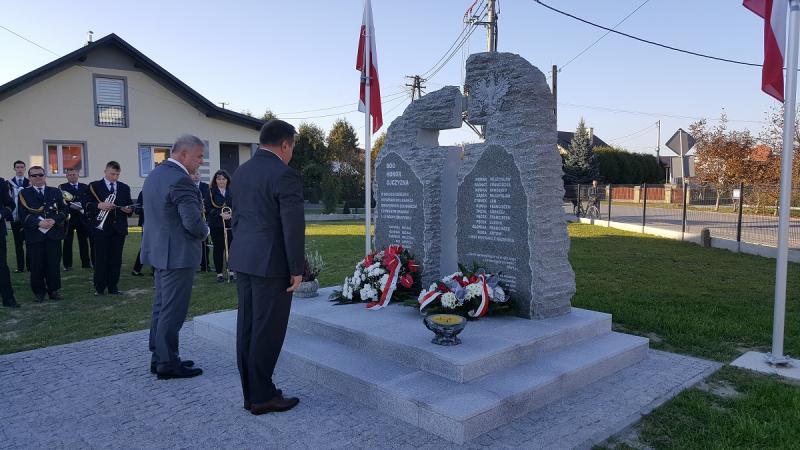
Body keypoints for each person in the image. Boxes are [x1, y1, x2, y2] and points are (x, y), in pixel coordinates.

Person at [229, 119, 304, 415]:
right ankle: (262, 396)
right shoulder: (284, 174)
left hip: (244, 259)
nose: (292, 153)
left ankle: (252, 393)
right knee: (268, 331)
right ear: (285, 145)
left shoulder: (241, 171)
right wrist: (297, 268)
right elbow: (292, 226)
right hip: (272, 263)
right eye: (292, 147)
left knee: (247, 327)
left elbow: (237, 219)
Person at [141, 134, 209, 379]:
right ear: (183, 154)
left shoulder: (155, 174)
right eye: (199, 156)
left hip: (160, 251)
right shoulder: (181, 180)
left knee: (161, 307)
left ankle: (160, 356)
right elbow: (192, 222)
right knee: (173, 310)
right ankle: (168, 363)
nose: (201, 161)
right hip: (178, 254)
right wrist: (206, 231)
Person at [17, 166, 66, 302]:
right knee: (36, 264)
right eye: (34, 175)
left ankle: (53, 290)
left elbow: (64, 210)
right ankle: (39, 292)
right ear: (30, 178)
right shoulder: (24, 194)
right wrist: (38, 223)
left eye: (40, 175)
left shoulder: (55, 191)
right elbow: (22, 215)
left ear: (45, 176)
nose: (38, 177)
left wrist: (54, 220)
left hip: (53, 233)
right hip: (35, 234)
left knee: (53, 263)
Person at [84, 161, 133, 296]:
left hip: (119, 229)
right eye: (112, 174)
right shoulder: (94, 186)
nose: (115, 177)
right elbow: (85, 204)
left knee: (116, 259)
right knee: (101, 258)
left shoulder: (124, 187)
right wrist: (98, 205)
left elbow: (129, 205)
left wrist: (128, 209)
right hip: (101, 228)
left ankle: (113, 287)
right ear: (105, 171)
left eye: (117, 174)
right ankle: (99, 287)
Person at [59, 168, 92, 271]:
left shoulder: (85, 187)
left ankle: (86, 263)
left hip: (82, 218)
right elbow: (62, 202)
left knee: (84, 242)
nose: (72, 176)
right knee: (67, 242)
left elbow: (88, 199)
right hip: (69, 218)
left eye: (74, 174)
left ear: (78, 175)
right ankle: (67, 265)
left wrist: (81, 205)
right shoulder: (62, 187)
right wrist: (75, 206)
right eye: (70, 175)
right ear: (67, 176)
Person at [205, 170, 234, 283]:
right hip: (216, 224)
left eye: (223, 179)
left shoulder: (232, 191)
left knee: (231, 248)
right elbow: (208, 208)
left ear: (227, 180)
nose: (221, 181)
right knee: (218, 248)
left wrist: (231, 214)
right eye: (219, 179)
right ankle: (219, 274)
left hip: (230, 224)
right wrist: (220, 214)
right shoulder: (211, 192)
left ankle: (231, 272)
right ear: (215, 181)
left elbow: (237, 204)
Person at [0, 177, 19, 307]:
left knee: (1, 266)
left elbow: (10, 204)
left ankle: (8, 298)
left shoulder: (1, 183)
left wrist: (1, 214)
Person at [8, 160, 30, 273]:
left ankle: (30, 266)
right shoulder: (9, 183)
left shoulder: (29, 182)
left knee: (29, 241)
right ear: (14, 169)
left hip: (28, 216)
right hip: (15, 217)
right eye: (18, 167)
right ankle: (20, 267)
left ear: (25, 169)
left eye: (22, 167)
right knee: (18, 243)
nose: (20, 169)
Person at [191, 171, 211, 272]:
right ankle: (193, 265)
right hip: (192, 217)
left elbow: (209, 200)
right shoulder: (188, 186)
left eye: (197, 174)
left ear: (200, 176)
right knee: (192, 243)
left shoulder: (206, 187)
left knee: (204, 243)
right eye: (194, 174)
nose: (195, 176)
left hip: (204, 217)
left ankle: (205, 265)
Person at [131, 190, 150, 276]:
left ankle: (155, 270)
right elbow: (137, 210)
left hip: (158, 224)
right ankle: (136, 269)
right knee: (145, 246)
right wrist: (143, 208)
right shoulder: (143, 192)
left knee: (157, 246)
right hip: (147, 223)